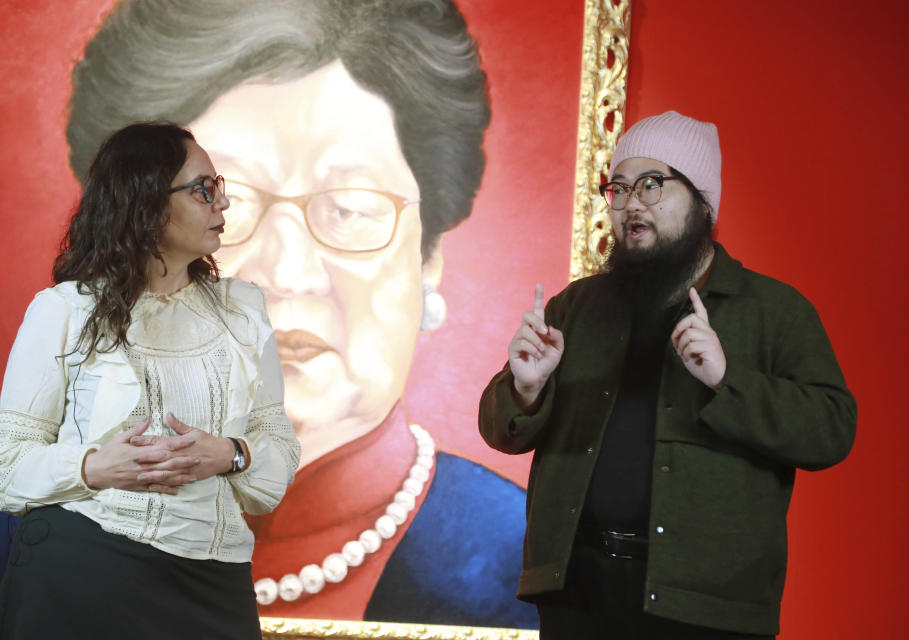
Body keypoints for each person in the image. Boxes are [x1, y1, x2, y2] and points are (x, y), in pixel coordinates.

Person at [54, 0, 536, 627]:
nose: (286, 273)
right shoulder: (45, 525)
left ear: (429, 258)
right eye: (220, 203)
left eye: (352, 206)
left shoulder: (516, 564)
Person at [478, 110, 857, 638]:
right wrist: (526, 388)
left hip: (705, 609)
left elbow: (832, 431)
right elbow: (499, 430)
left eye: (652, 185)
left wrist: (728, 380)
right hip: (578, 595)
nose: (631, 203)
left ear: (703, 202)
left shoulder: (775, 310)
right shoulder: (576, 308)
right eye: (620, 187)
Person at [0, 122, 301, 639]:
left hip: (213, 580)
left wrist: (230, 453)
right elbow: (6, 461)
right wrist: (95, 467)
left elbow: (276, 459)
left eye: (219, 186)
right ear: (145, 203)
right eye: (204, 189)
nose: (222, 204)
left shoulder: (242, 310)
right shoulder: (64, 310)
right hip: (82, 567)